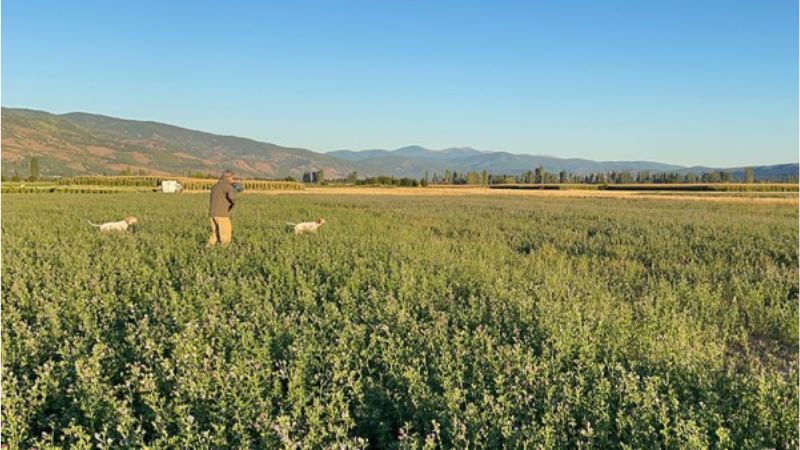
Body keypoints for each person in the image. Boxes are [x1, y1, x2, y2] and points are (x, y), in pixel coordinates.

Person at [208, 170, 236, 246]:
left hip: (212, 214)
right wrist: (233, 204)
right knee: (225, 235)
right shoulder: (227, 186)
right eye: (232, 177)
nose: (233, 179)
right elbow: (231, 197)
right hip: (222, 214)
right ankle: (224, 253)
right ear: (227, 177)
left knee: (214, 235)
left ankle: (207, 250)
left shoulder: (215, 186)